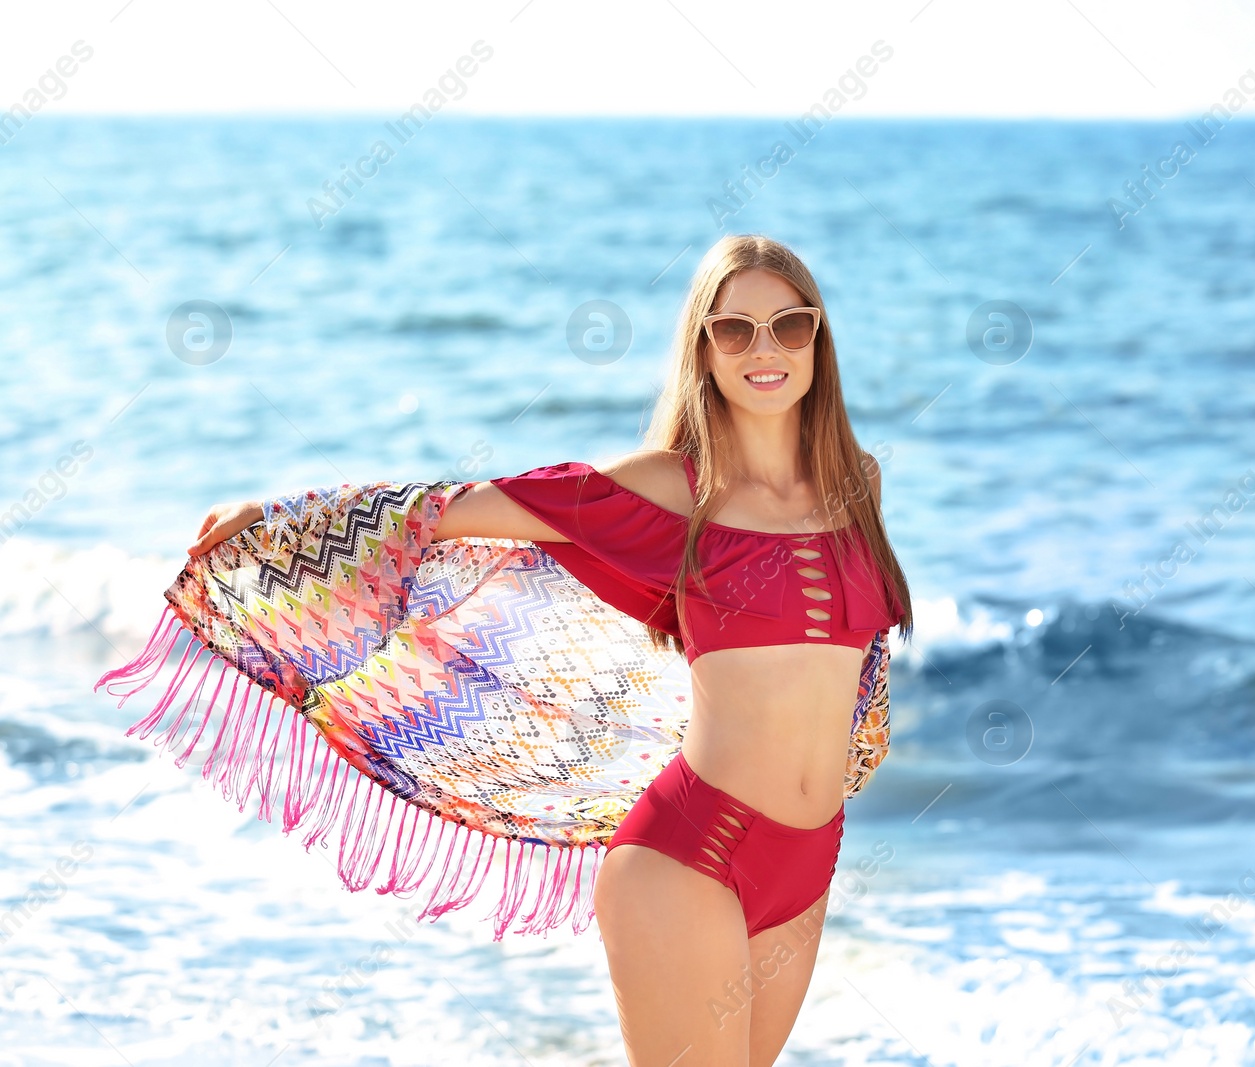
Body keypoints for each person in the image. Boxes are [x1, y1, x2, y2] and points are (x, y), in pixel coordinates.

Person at [168, 234, 914, 1066]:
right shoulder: (674, 489)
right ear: (704, 352)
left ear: (820, 339)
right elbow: (452, 507)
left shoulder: (860, 483)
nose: (766, 349)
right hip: (693, 857)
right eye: (735, 330)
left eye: (790, 325)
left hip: (809, 859)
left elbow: (854, 662)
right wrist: (280, 519)